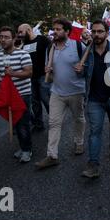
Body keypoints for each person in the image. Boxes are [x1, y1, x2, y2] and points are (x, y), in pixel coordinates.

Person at [35, 18, 86, 170]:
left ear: (67, 32)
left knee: (79, 119)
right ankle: (52, 155)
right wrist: (48, 73)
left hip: (76, 91)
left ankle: (79, 143)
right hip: (57, 92)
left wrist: (82, 69)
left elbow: (87, 69)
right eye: (54, 29)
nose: (55, 32)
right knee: (53, 123)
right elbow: (49, 77)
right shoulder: (51, 48)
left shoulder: (78, 46)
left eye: (58, 29)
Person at [81, 20, 110, 178]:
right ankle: (93, 164)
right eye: (93, 31)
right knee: (95, 131)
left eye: (100, 31)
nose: (96, 34)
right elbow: (83, 74)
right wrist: (79, 69)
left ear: (107, 33)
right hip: (94, 99)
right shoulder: (87, 52)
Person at [0, 26, 33, 163]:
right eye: (1, 37)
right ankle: (22, 146)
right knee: (14, 122)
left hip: (22, 94)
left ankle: (27, 150)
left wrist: (13, 74)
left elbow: (29, 73)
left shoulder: (23, 54)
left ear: (14, 39)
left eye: (6, 37)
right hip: (7, 95)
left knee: (23, 124)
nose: (2, 40)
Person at [17, 23, 51, 133]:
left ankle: (55, 121)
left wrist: (50, 67)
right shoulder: (24, 44)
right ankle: (38, 124)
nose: (19, 34)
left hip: (42, 77)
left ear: (28, 30)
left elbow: (52, 53)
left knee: (46, 100)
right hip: (30, 78)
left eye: (21, 32)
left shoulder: (43, 40)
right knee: (35, 102)